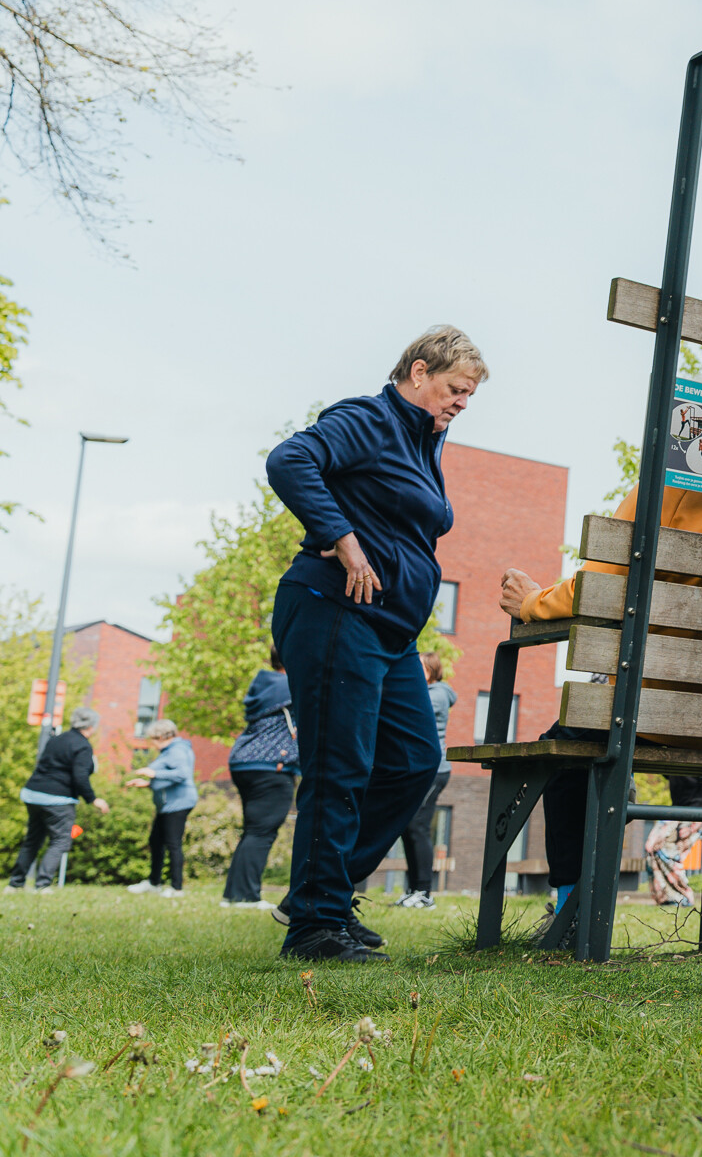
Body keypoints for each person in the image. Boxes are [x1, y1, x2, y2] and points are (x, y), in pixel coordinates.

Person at [500, 372, 702, 928]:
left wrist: (530, 602)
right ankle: (701, 902)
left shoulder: (666, 487)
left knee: (565, 751)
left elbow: (597, 588)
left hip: (652, 715)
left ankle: (571, 901)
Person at [265, 324, 488, 963]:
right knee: (341, 767)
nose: (461, 404)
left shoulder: (425, 442)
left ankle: (319, 890)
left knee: (416, 761)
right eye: (454, 389)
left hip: (388, 632)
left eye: (469, 396)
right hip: (335, 609)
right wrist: (344, 539)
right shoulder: (370, 418)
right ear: (418, 372)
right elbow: (290, 460)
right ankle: (315, 923)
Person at [223, 650, 300, 909]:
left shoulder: (265, 684)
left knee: (253, 831)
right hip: (271, 765)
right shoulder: (293, 685)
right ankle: (244, 897)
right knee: (261, 832)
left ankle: (235, 895)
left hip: (244, 760)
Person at [9, 708, 110, 893]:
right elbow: (80, 776)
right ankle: (42, 885)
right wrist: (93, 799)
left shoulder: (57, 739)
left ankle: (15, 884)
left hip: (33, 793)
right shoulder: (83, 746)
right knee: (60, 840)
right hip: (58, 799)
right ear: (91, 726)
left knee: (33, 840)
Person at [393, 652, 456, 908]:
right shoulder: (423, 692)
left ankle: (425, 893)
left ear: (431, 670)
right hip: (416, 769)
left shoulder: (437, 694)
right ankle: (413, 889)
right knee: (408, 826)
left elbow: (405, 712)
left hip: (434, 769)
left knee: (418, 824)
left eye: (418, 668)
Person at [126, 719, 197, 897]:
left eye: (154, 739)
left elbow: (182, 774)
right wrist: (148, 784)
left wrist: (154, 773)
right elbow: (168, 778)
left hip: (178, 803)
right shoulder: (168, 751)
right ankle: (154, 883)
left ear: (163, 736)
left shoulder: (177, 750)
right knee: (156, 841)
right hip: (167, 804)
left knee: (173, 844)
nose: (153, 743)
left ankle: (176, 888)